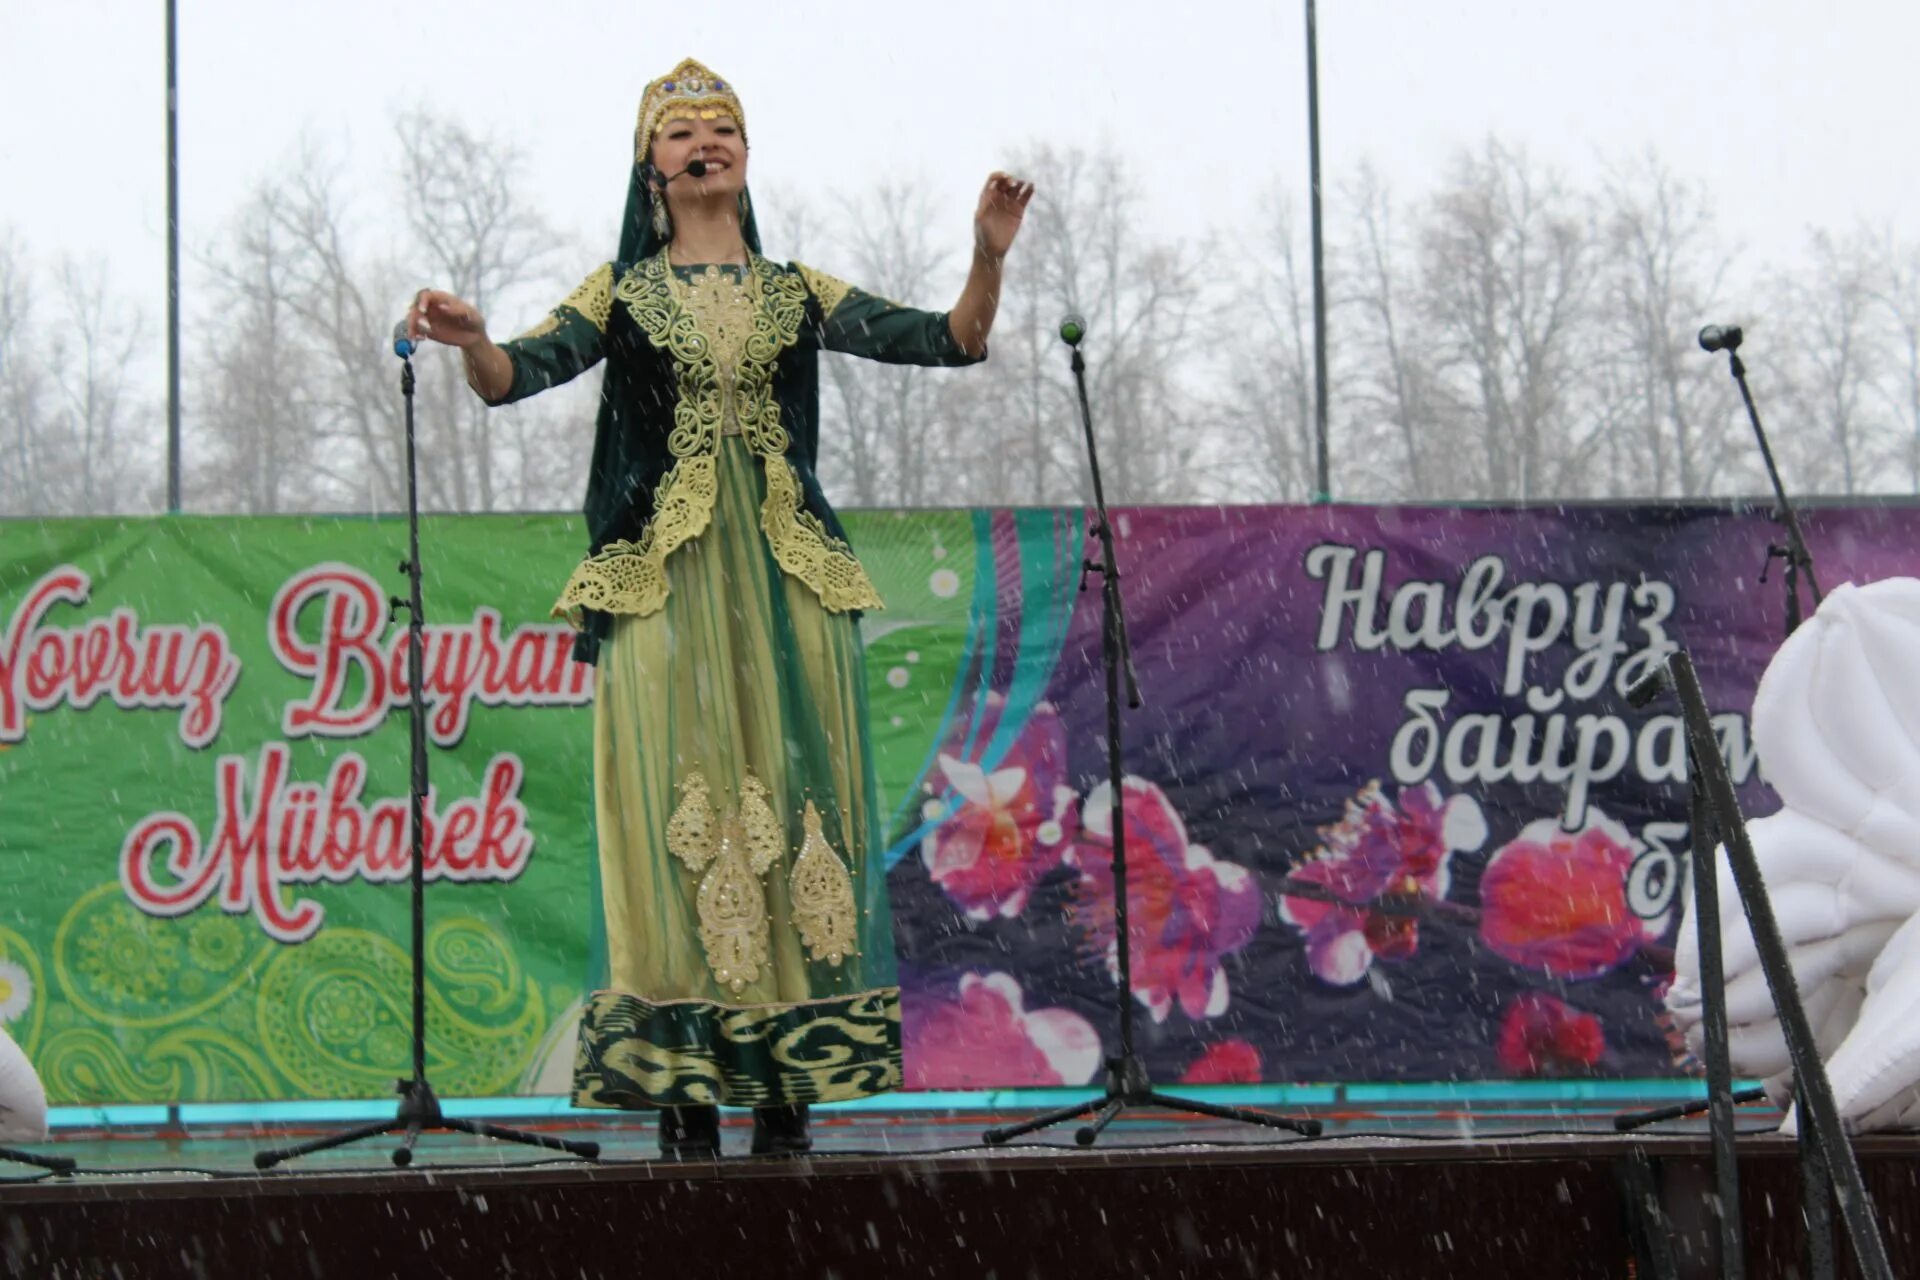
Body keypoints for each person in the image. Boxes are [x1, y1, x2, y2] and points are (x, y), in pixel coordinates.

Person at [405, 57, 1031, 1158]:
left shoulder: (797, 290)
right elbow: (520, 374)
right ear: (651, 164)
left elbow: (952, 339)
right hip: (667, 582)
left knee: (798, 800)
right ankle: (687, 1084)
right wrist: (475, 342)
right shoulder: (624, 293)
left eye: (722, 127)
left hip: (786, 581)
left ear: (746, 155)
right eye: (680, 129)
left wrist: (984, 256)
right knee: (674, 812)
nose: (704, 141)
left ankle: (786, 1081)